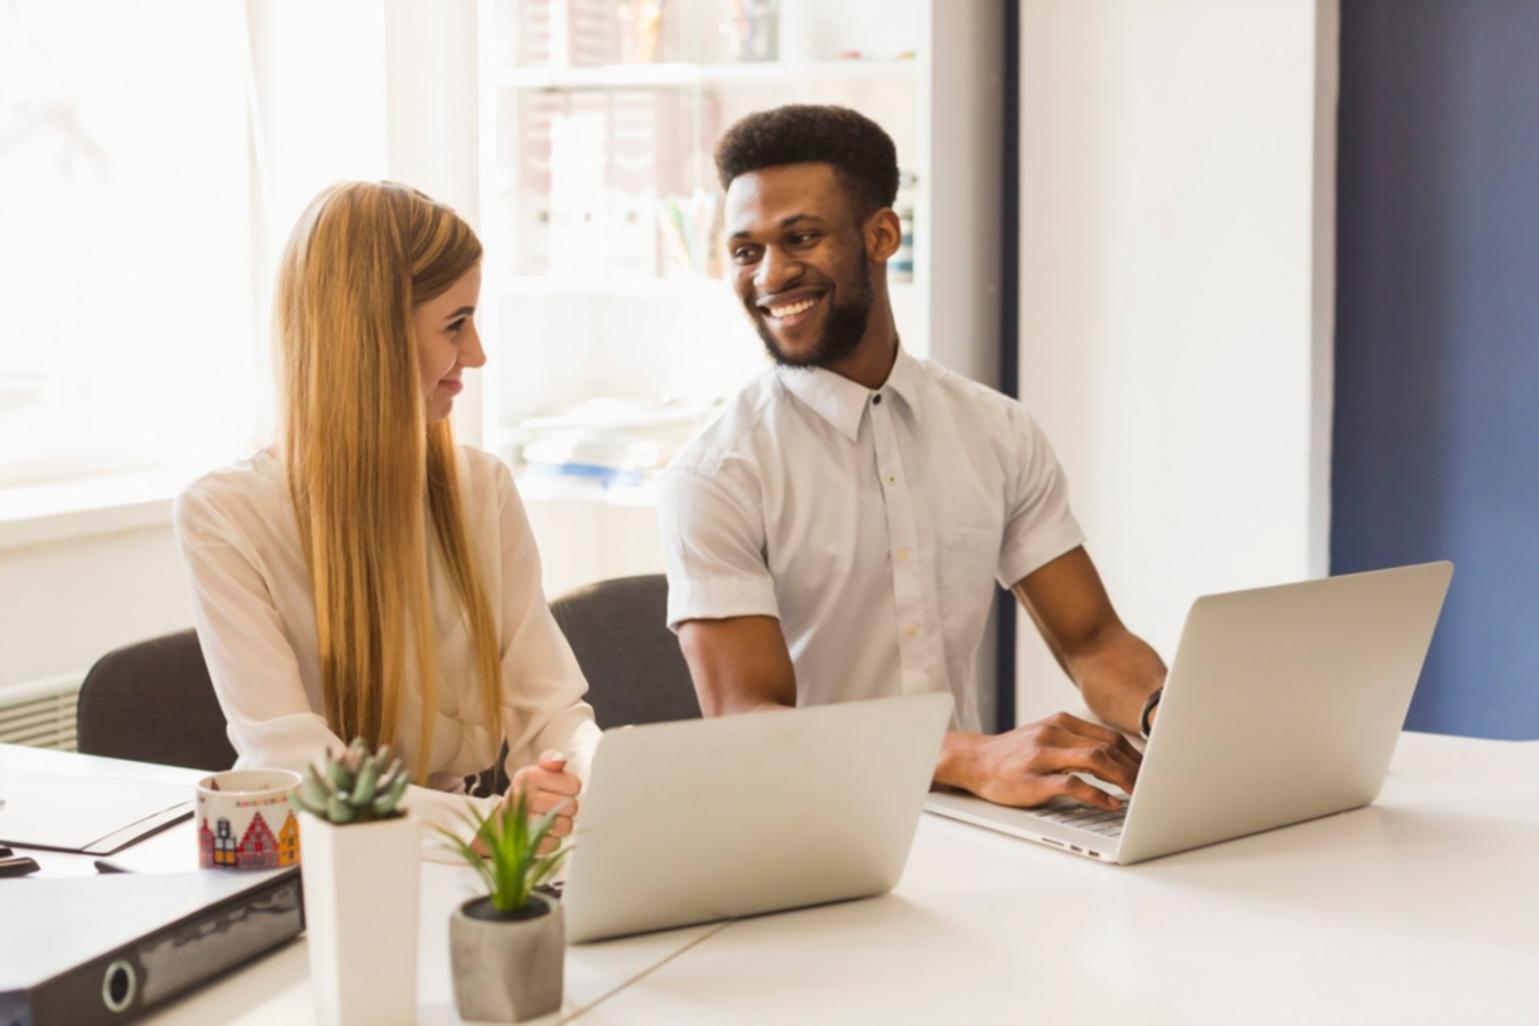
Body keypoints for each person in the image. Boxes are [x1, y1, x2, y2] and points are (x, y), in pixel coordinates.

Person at [657, 106, 1166, 812]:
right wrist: (974, 755)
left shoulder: (996, 431)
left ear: (881, 234)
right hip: (799, 823)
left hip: (963, 816)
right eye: (746, 252)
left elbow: (1092, 640)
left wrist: (1168, 717)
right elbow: (746, 722)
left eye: (800, 237)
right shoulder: (715, 474)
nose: (770, 275)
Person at [174, 181, 596, 845]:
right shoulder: (224, 516)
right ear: (371, 338)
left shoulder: (481, 489)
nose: (476, 355)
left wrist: (574, 782)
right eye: (455, 324)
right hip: (321, 860)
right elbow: (293, 763)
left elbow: (550, 709)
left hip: (470, 849)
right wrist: (484, 824)